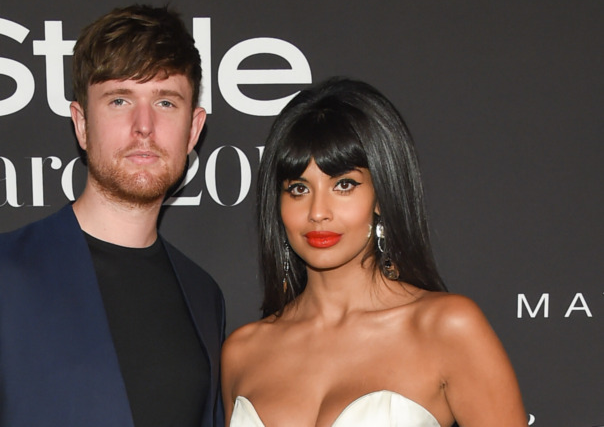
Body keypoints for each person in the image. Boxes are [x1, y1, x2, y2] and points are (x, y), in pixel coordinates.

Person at [0, 5, 225, 427]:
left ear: (194, 129)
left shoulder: (204, 297)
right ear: (81, 124)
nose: (144, 125)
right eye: (119, 99)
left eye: (166, 101)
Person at [221, 78, 525, 426]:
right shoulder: (243, 352)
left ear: (381, 195)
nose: (318, 211)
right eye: (299, 188)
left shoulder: (445, 328)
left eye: (344, 185)